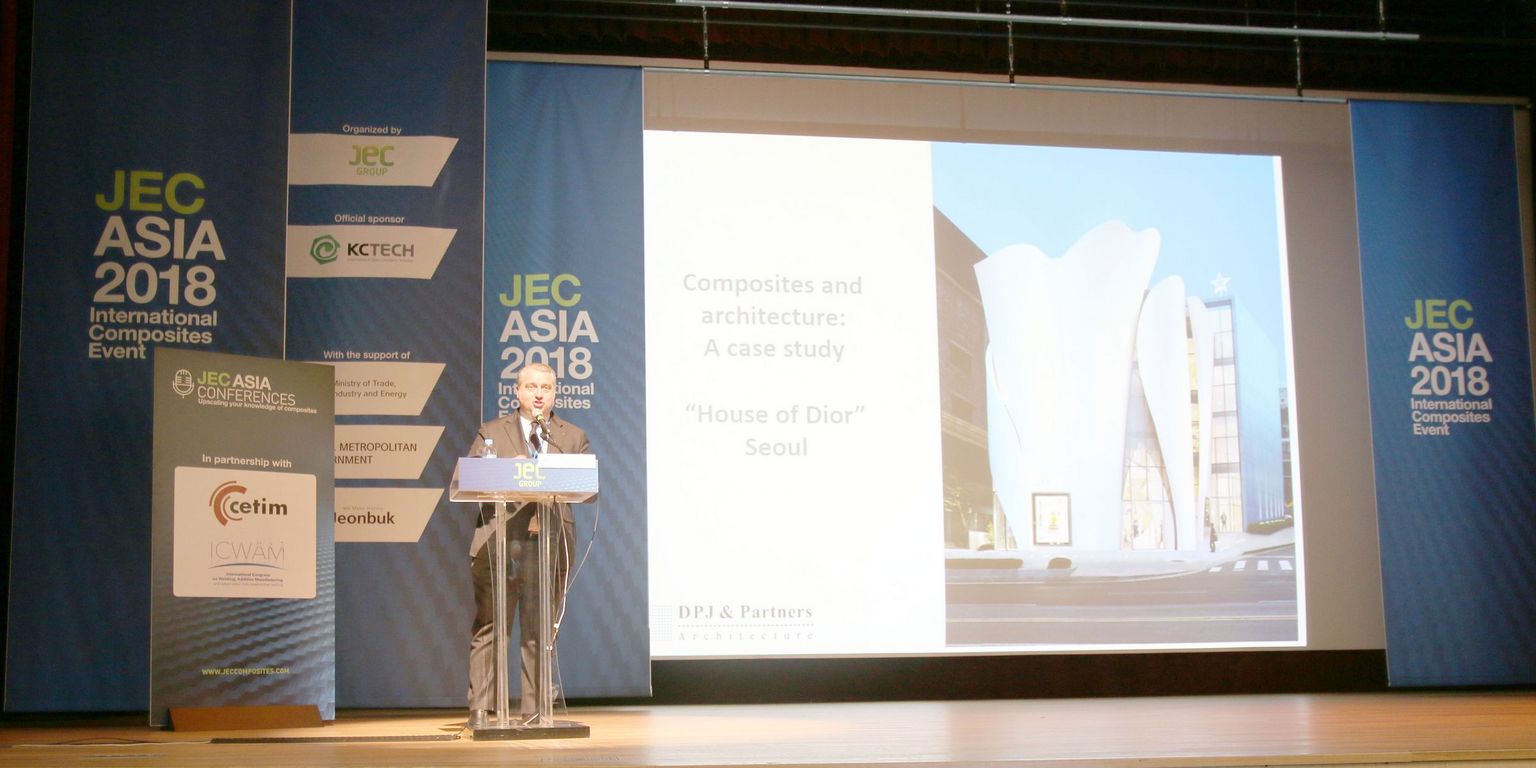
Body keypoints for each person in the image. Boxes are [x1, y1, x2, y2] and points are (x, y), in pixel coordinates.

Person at [464, 362, 590, 727]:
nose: (538, 394)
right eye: (531, 387)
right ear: (517, 392)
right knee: (491, 626)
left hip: (548, 541)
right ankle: (481, 709)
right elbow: (468, 478)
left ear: (555, 394)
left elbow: (585, 483)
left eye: (546, 388)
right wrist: (509, 470)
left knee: (539, 630)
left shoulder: (571, 437)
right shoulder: (491, 432)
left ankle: (535, 710)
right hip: (500, 544)